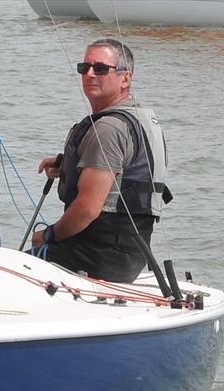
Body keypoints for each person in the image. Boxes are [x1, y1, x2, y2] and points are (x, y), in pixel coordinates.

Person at [32, 38, 172, 283]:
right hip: (130, 255)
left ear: (125, 79)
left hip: (96, 257)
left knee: (9, 271)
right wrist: (66, 164)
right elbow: (124, 170)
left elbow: (87, 209)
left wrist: (48, 235)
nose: (89, 74)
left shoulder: (108, 129)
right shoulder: (139, 118)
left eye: (100, 69)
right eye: (84, 68)